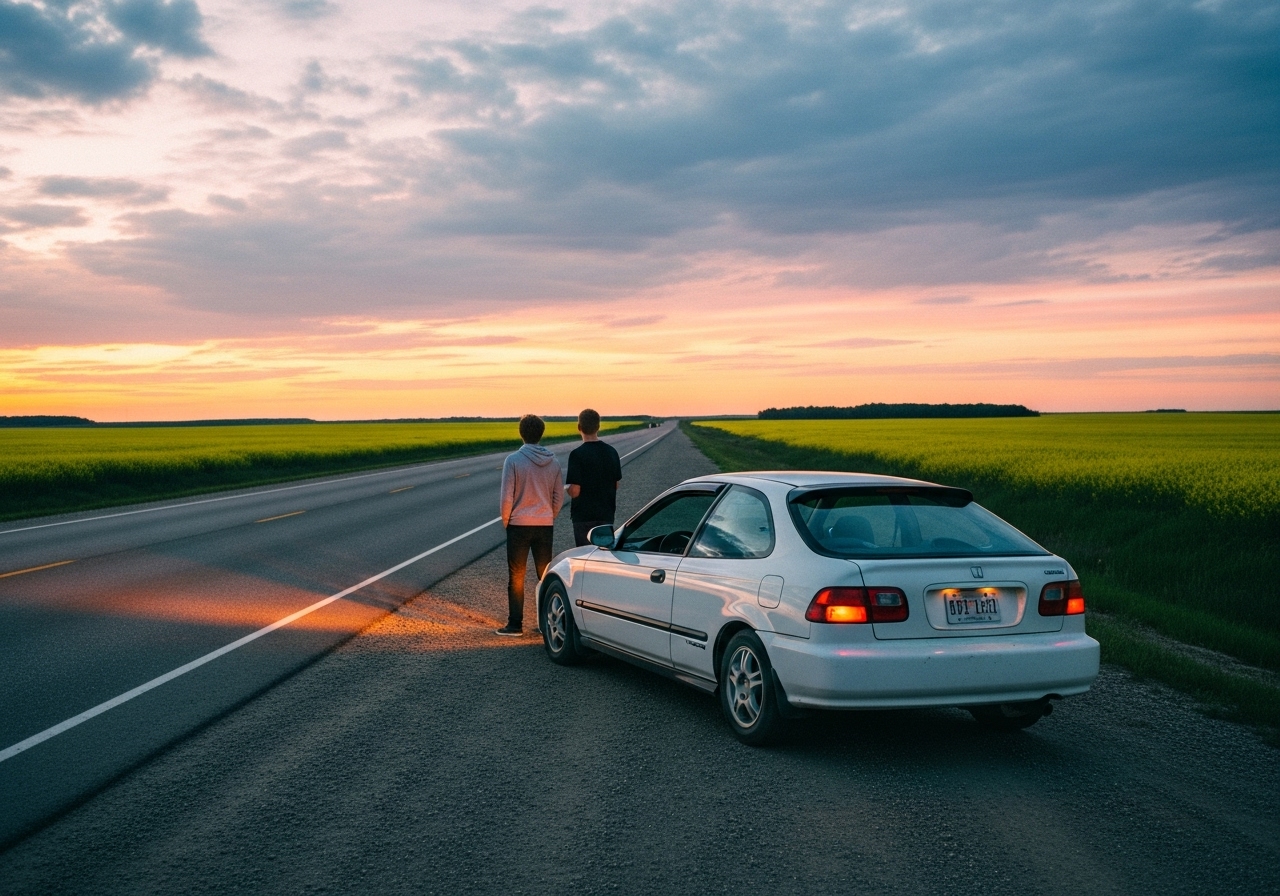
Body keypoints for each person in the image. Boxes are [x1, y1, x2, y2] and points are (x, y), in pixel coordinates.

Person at [496, 414, 563, 637]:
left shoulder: (513, 460)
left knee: (516, 575)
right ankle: (547, 623)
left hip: (519, 524)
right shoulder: (553, 462)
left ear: (521, 433)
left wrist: (507, 520)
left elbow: (507, 496)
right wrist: (548, 516)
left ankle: (515, 625)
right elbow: (557, 496)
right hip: (544, 524)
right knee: (545, 575)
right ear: (541, 433)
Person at [566, 408, 622, 547]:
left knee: (585, 556)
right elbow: (615, 485)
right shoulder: (612, 452)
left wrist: (566, 487)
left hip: (583, 517)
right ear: (598, 426)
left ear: (579, 427)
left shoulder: (576, 455)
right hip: (606, 515)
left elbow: (575, 491)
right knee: (603, 557)